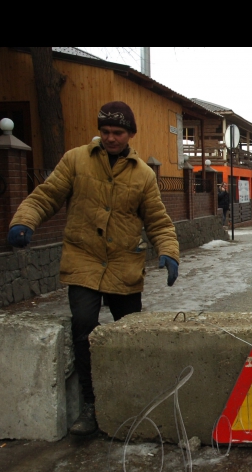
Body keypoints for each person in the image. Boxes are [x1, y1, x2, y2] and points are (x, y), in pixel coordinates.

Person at [7, 101, 180, 436]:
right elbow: (46, 196)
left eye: (117, 132)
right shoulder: (76, 159)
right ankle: (91, 405)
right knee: (84, 328)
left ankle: (133, 400)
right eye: (105, 131)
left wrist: (169, 252)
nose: (110, 138)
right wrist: (24, 221)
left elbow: (159, 221)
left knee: (129, 334)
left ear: (130, 134)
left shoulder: (143, 174)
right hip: (83, 261)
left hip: (124, 267)